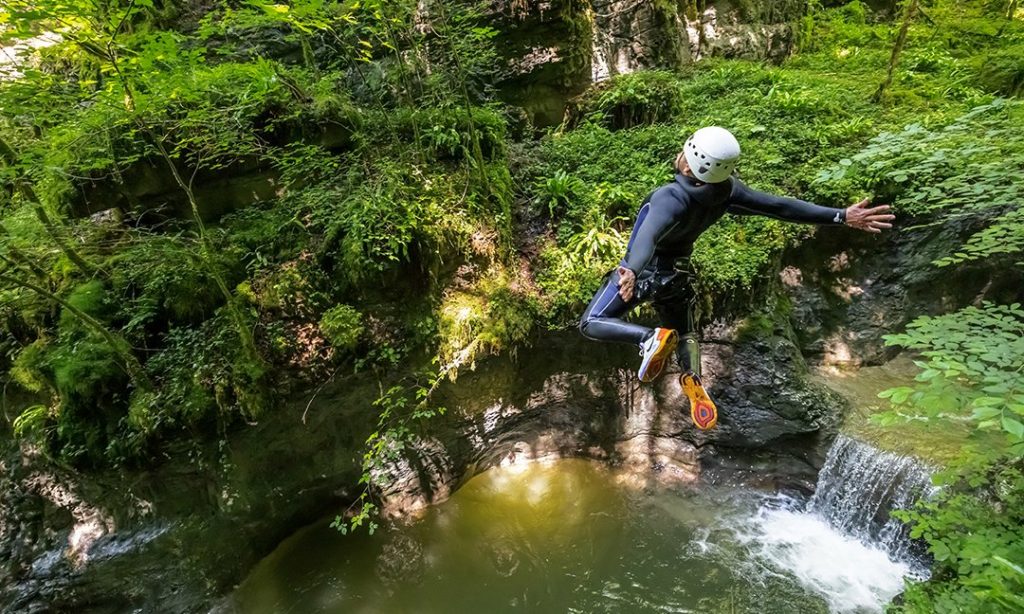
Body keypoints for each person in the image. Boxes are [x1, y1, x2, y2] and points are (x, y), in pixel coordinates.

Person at [577, 126, 894, 429]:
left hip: (646, 273)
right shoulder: (726, 192)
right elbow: (780, 207)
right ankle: (692, 377)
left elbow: (648, 234)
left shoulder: (670, 197)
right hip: (677, 276)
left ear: (689, 166)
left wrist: (631, 269)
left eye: (686, 151)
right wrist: (840, 216)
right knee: (684, 333)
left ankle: (648, 339)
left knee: (592, 321)